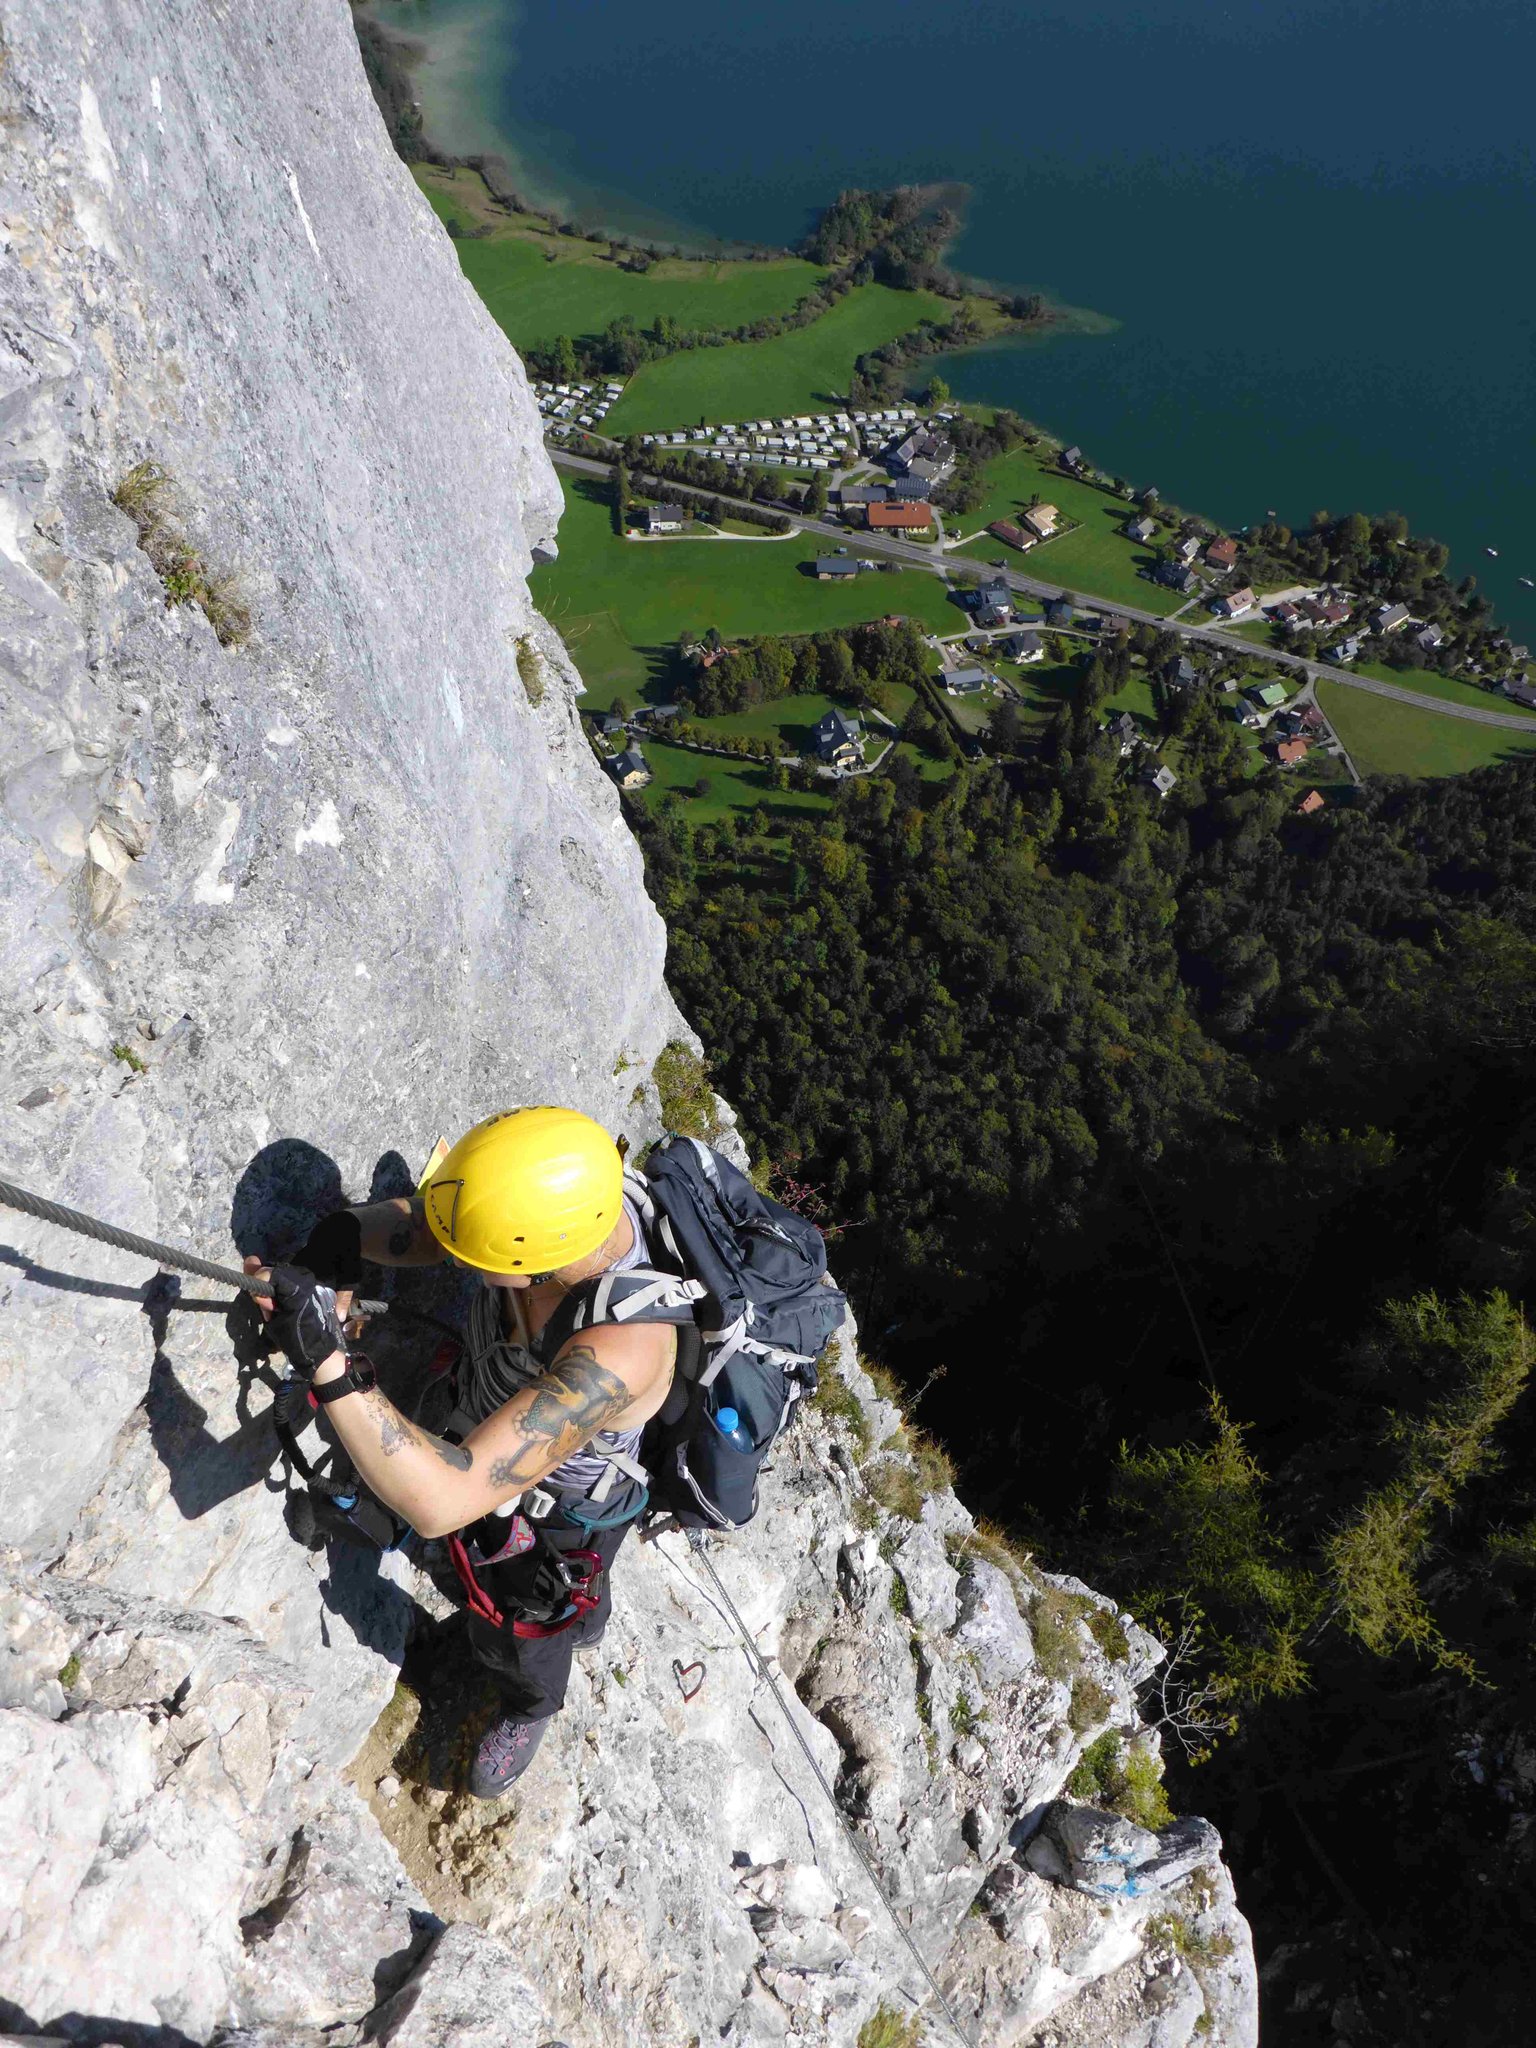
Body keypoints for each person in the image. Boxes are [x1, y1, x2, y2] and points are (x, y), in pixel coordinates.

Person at [250, 1106, 676, 1798]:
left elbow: (445, 1499)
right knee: (526, 1567)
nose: (461, 1263)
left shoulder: (623, 1351)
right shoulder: (556, 1206)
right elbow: (434, 1228)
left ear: (533, 1262)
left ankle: (531, 1703)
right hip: (484, 1410)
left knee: (530, 1608)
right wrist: (342, 1239)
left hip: (564, 1507)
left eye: (480, 1260)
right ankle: (585, 1614)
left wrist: (325, 1358)